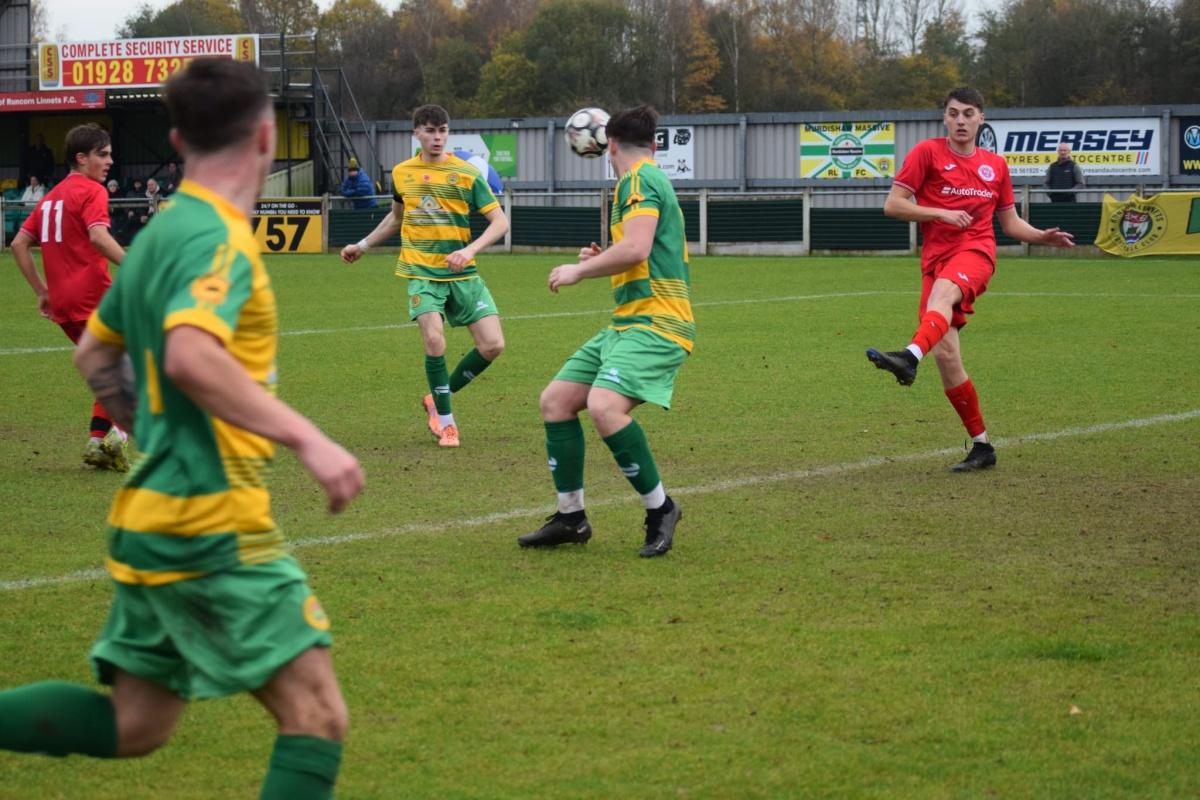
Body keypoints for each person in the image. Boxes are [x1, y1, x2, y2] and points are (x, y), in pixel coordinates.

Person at [0, 58, 365, 799]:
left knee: (137, 724)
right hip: (210, 514)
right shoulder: (219, 239)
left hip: (152, 508)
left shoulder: (163, 233)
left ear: (176, 138)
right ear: (265, 136)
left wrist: (158, 430)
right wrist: (307, 437)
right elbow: (190, 355)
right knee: (317, 715)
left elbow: (98, 354)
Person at [865, 87, 1075, 471]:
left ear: (981, 119)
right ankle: (982, 446)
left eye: (969, 113)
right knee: (946, 354)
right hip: (935, 260)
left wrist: (1041, 235)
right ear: (944, 118)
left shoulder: (995, 166)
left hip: (976, 253)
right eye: (953, 113)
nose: (960, 120)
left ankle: (909, 357)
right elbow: (892, 205)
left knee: (941, 298)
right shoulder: (927, 153)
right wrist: (939, 214)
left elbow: (1009, 223)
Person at [517, 104, 691, 558]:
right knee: (556, 401)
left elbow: (637, 248)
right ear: (653, 144)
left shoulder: (639, 179)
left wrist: (583, 271)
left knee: (604, 407)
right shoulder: (641, 179)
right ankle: (571, 518)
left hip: (658, 323)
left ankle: (661, 509)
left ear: (607, 143)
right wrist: (601, 255)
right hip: (628, 322)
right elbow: (637, 250)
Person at [340, 104, 509, 448]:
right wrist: (363, 244)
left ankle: (435, 398)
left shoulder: (466, 173)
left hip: (461, 271)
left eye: (443, 130)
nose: (437, 137)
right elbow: (396, 218)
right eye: (430, 131)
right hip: (421, 271)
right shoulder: (402, 173)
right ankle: (447, 424)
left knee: (493, 345)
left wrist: (469, 251)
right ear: (416, 133)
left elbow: (500, 222)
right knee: (434, 340)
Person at [10, 123, 128, 471]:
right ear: (81, 157)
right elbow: (98, 237)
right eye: (102, 154)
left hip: (64, 304)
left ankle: (96, 442)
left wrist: (42, 292)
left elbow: (18, 244)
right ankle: (116, 439)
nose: (109, 161)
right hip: (94, 298)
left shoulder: (50, 197)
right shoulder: (92, 191)